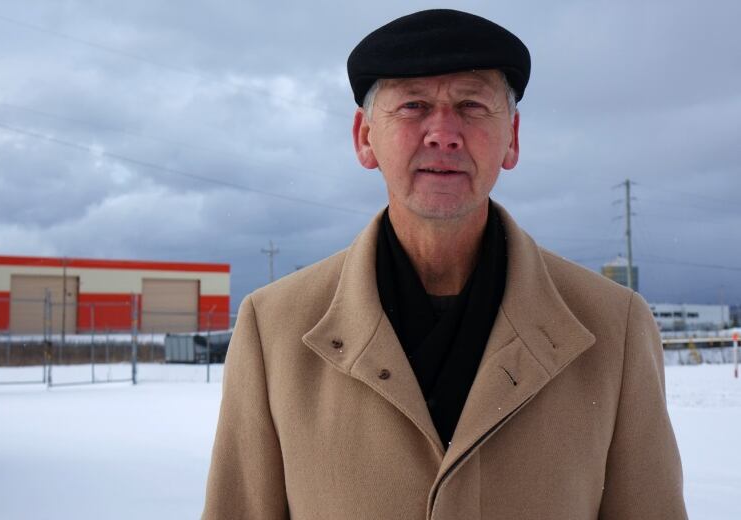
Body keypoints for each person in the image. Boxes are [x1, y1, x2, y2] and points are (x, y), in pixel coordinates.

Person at [203, 9, 687, 519]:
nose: (443, 133)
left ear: (513, 138)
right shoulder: (275, 328)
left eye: (472, 104)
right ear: (364, 137)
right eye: (412, 105)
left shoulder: (613, 327)